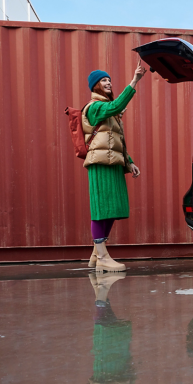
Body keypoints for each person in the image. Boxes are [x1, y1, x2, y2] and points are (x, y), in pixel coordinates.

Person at [84, 62, 147, 272]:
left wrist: (129, 162)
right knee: (101, 208)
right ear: (95, 86)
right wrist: (135, 80)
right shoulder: (95, 107)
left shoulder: (109, 112)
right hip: (100, 164)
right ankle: (102, 256)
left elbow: (115, 141)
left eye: (109, 80)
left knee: (112, 208)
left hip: (113, 164)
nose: (108, 83)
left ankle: (95, 254)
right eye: (104, 80)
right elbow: (116, 106)